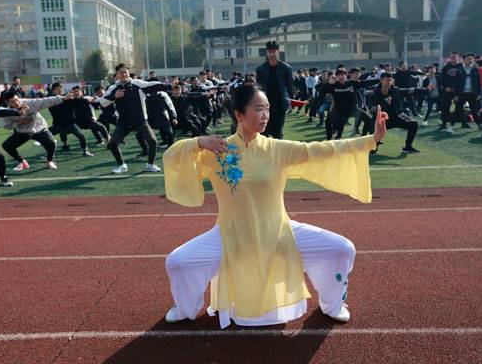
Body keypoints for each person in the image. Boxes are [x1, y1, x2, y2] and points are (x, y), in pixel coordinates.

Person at [162, 83, 387, 329]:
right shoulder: (218, 150)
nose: (265, 115)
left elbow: (320, 150)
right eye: (259, 109)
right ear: (239, 114)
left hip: (279, 232)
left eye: (267, 109)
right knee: (177, 262)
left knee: (342, 249)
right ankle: (184, 308)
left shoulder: (276, 149)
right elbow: (172, 157)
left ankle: (333, 305)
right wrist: (199, 142)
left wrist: (371, 139)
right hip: (230, 235)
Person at [99, 63, 165, 174]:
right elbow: (102, 102)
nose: (123, 74)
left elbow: (153, 85)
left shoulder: (137, 84)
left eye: (125, 72)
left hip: (140, 121)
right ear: (117, 74)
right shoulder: (113, 88)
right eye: (121, 72)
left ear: (128, 73)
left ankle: (150, 165)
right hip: (124, 123)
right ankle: (122, 165)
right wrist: (114, 96)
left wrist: (168, 85)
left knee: (152, 141)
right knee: (112, 144)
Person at [1, 89, 71, 171]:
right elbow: (7, 126)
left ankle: (49, 161)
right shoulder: (7, 112)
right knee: (6, 145)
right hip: (23, 132)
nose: (16, 103)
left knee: (51, 143)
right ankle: (22, 162)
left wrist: (63, 98)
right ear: (7, 103)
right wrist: (19, 122)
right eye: (13, 102)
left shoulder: (29, 103)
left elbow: (46, 101)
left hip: (39, 129)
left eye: (17, 99)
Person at [370, 73, 420, 153]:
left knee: (414, 124)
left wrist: (426, 89)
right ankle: (373, 147)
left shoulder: (396, 90)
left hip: (396, 117)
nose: (388, 82)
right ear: (381, 81)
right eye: (387, 80)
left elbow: (410, 90)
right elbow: (372, 107)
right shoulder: (375, 93)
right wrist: (375, 108)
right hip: (383, 120)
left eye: (390, 80)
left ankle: (408, 147)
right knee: (373, 128)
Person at [255, 40, 293, 139]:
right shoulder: (260, 69)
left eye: (274, 51)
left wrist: (290, 101)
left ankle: (278, 148)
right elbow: (258, 89)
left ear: (278, 52)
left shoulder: (286, 68)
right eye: (270, 52)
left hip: (280, 105)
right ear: (267, 53)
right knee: (263, 131)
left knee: (278, 132)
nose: (272, 54)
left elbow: (289, 87)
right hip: (264, 105)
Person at [47, 83, 94, 157]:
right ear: (53, 91)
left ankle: (85, 151)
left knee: (81, 135)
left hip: (70, 123)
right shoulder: (51, 100)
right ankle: (62, 147)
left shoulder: (69, 98)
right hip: (58, 124)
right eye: (58, 89)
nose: (60, 90)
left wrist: (87, 100)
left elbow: (79, 101)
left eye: (61, 89)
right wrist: (65, 99)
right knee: (47, 136)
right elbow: (55, 108)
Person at [454, 53, 482, 128]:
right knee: (460, 109)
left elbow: (479, 82)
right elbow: (456, 83)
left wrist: (479, 93)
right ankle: (463, 124)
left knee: (474, 110)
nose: (470, 60)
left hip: (472, 93)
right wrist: (456, 94)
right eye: (468, 59)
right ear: (463, 60)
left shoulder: (475, 70)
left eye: (471, 59)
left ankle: (479, 124)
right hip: (462, 93)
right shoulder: (459, 70)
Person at [440, 51, 463, 133]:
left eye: (454, 56)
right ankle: (444, 123)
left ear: (458, 57)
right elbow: (441, 79)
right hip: (447, 91)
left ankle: (463, 123)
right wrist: (445, 87)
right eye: (452, 57)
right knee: (445, 107)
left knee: (459, 107)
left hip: (457, 91)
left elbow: (463, 79)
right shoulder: (446, 67)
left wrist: (457, 89)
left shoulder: (461, 66)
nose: (453, 58)